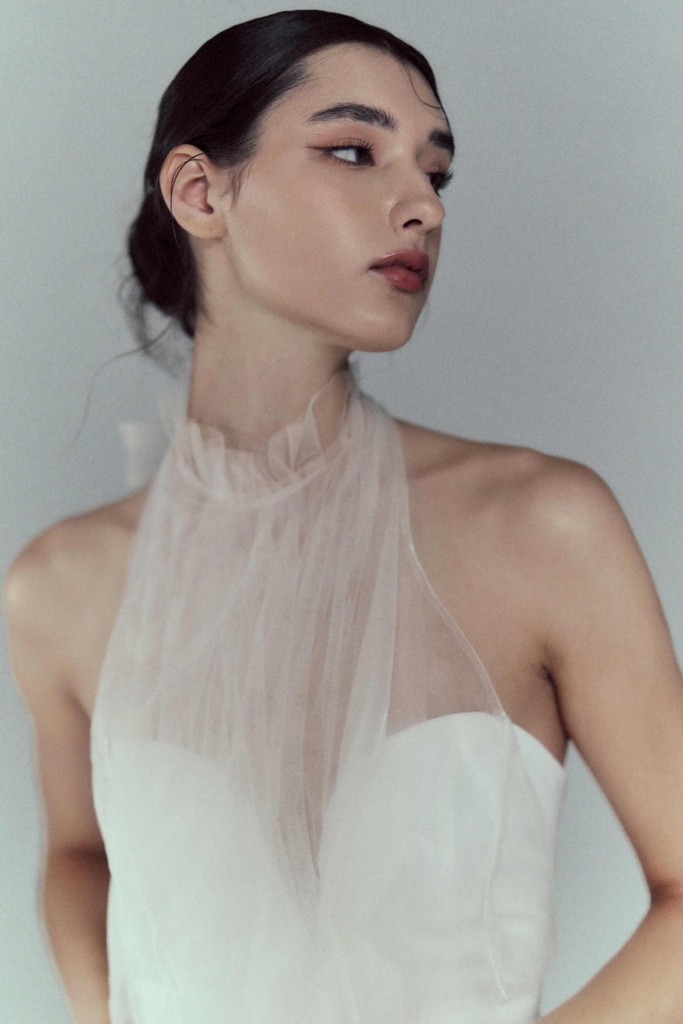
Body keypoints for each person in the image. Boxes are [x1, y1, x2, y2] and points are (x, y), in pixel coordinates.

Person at [4, 10, 683, 1024]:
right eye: (353, 151)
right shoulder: (58, 582)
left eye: (435, 172)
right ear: (199, 192)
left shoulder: (542, 527)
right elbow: (75, 852)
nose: (420, 205)